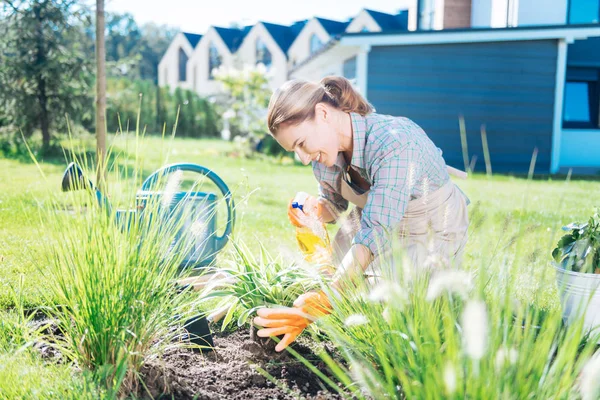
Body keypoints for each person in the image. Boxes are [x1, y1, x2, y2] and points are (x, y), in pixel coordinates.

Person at [253, 76, 470, 351]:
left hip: (427, 224)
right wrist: (311, 211)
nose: (303, 158)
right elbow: (334, 207)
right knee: (332, 284)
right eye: (294, 150)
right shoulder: (326, 155)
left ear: (322, 113)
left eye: (301, 143)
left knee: (387, 310)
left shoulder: (394, 142)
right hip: (369, 217)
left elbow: (375, 232)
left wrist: (328, 298)